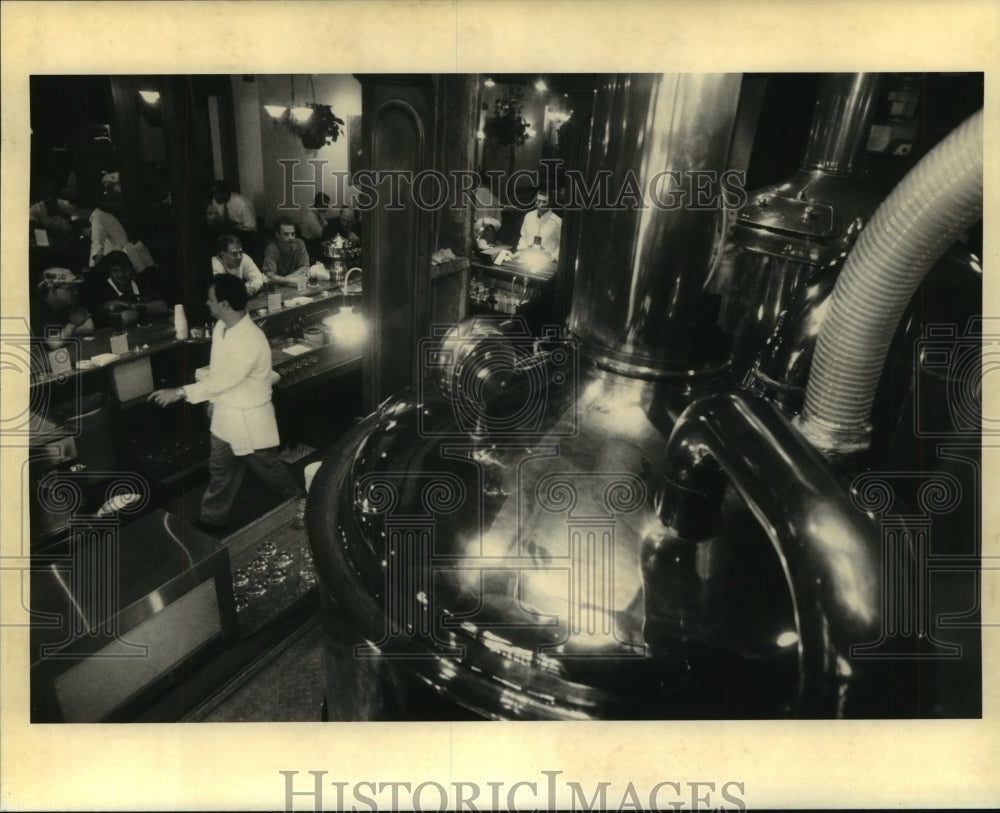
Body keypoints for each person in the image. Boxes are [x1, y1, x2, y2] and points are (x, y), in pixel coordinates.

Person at [148, 274, 303, 529]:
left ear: (225, 304)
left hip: (250, 418)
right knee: (220, 471)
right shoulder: (221, 327)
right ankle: (211, 520)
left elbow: (226, 379)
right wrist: (214, 403)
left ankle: (299, 501)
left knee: (269, 468)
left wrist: (180, 392)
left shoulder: (249, 339)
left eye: (210, 300)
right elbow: (219, 372)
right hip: (226, 415)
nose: (207, 304)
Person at [89, 250, 169, 326]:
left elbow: (162, 307)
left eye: (125, 269)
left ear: (131, 269)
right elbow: (126, 318)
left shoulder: (142, 282)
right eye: (115, 270)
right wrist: (148, 309)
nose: (121, 274)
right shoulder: (102, 290)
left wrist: (129, 306)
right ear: (109, 273)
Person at [30, 267, 95, 350]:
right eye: (69, 288)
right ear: (53, 290)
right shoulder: (36, 309)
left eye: (75, 287)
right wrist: (72, 324)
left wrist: (65, 334)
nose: (76, 292)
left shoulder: (69, 302)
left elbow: (90, 328)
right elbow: (55, 344)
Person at [262, 216, 310, 286]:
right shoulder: (271, 249)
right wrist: (290, 280)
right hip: (279, 288)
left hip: (295, 285)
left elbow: (305, 267)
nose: (291, 237)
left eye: (293, 234)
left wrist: (285, 279)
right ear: (277, 235)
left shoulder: (300, 244)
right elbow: (270, 276)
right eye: (286, 234)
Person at [516, 188, 561, 262]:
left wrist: (554, 258)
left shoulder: (558, 221)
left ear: (550, 202)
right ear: (535, 200)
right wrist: (521, 250)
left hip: (547, 262)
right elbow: (523, 236)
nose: (541, 205)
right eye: (539, 201)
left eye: (544, 202)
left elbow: (561, 245)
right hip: (527, 259)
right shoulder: (528, 216)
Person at [86, 201, 129, 267]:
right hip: (122, 254)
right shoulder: (104, 215)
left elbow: (97, 245)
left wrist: (92, 267)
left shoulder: (98, 220)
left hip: (119, 259)